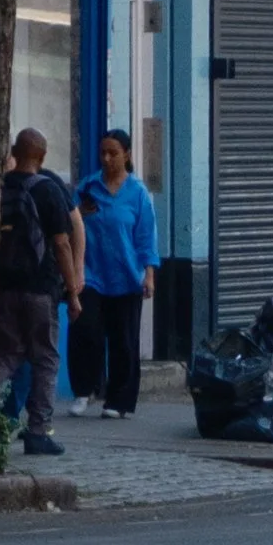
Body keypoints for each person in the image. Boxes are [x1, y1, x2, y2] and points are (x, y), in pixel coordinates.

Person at [0, 126, 81, 454]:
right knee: (45, 358)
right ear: (41, 157)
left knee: (4, 355)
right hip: (40, 290)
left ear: (14, 151)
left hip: (4, 288)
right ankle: (38, 430)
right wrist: (72, 291)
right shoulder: (48, 190)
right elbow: (61, 244)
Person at [71, 128, 159, 414]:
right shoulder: (88, 188)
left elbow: (146, 237)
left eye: (113, 153)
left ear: (127, 155)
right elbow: (71, 225)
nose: (107, 159)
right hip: (92, 273)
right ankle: (84, 390)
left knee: (124, 340)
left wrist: (149, 274)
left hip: (125, 276)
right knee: (86, 330)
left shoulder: (138, 194)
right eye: (103, 153)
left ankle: (119, 400)